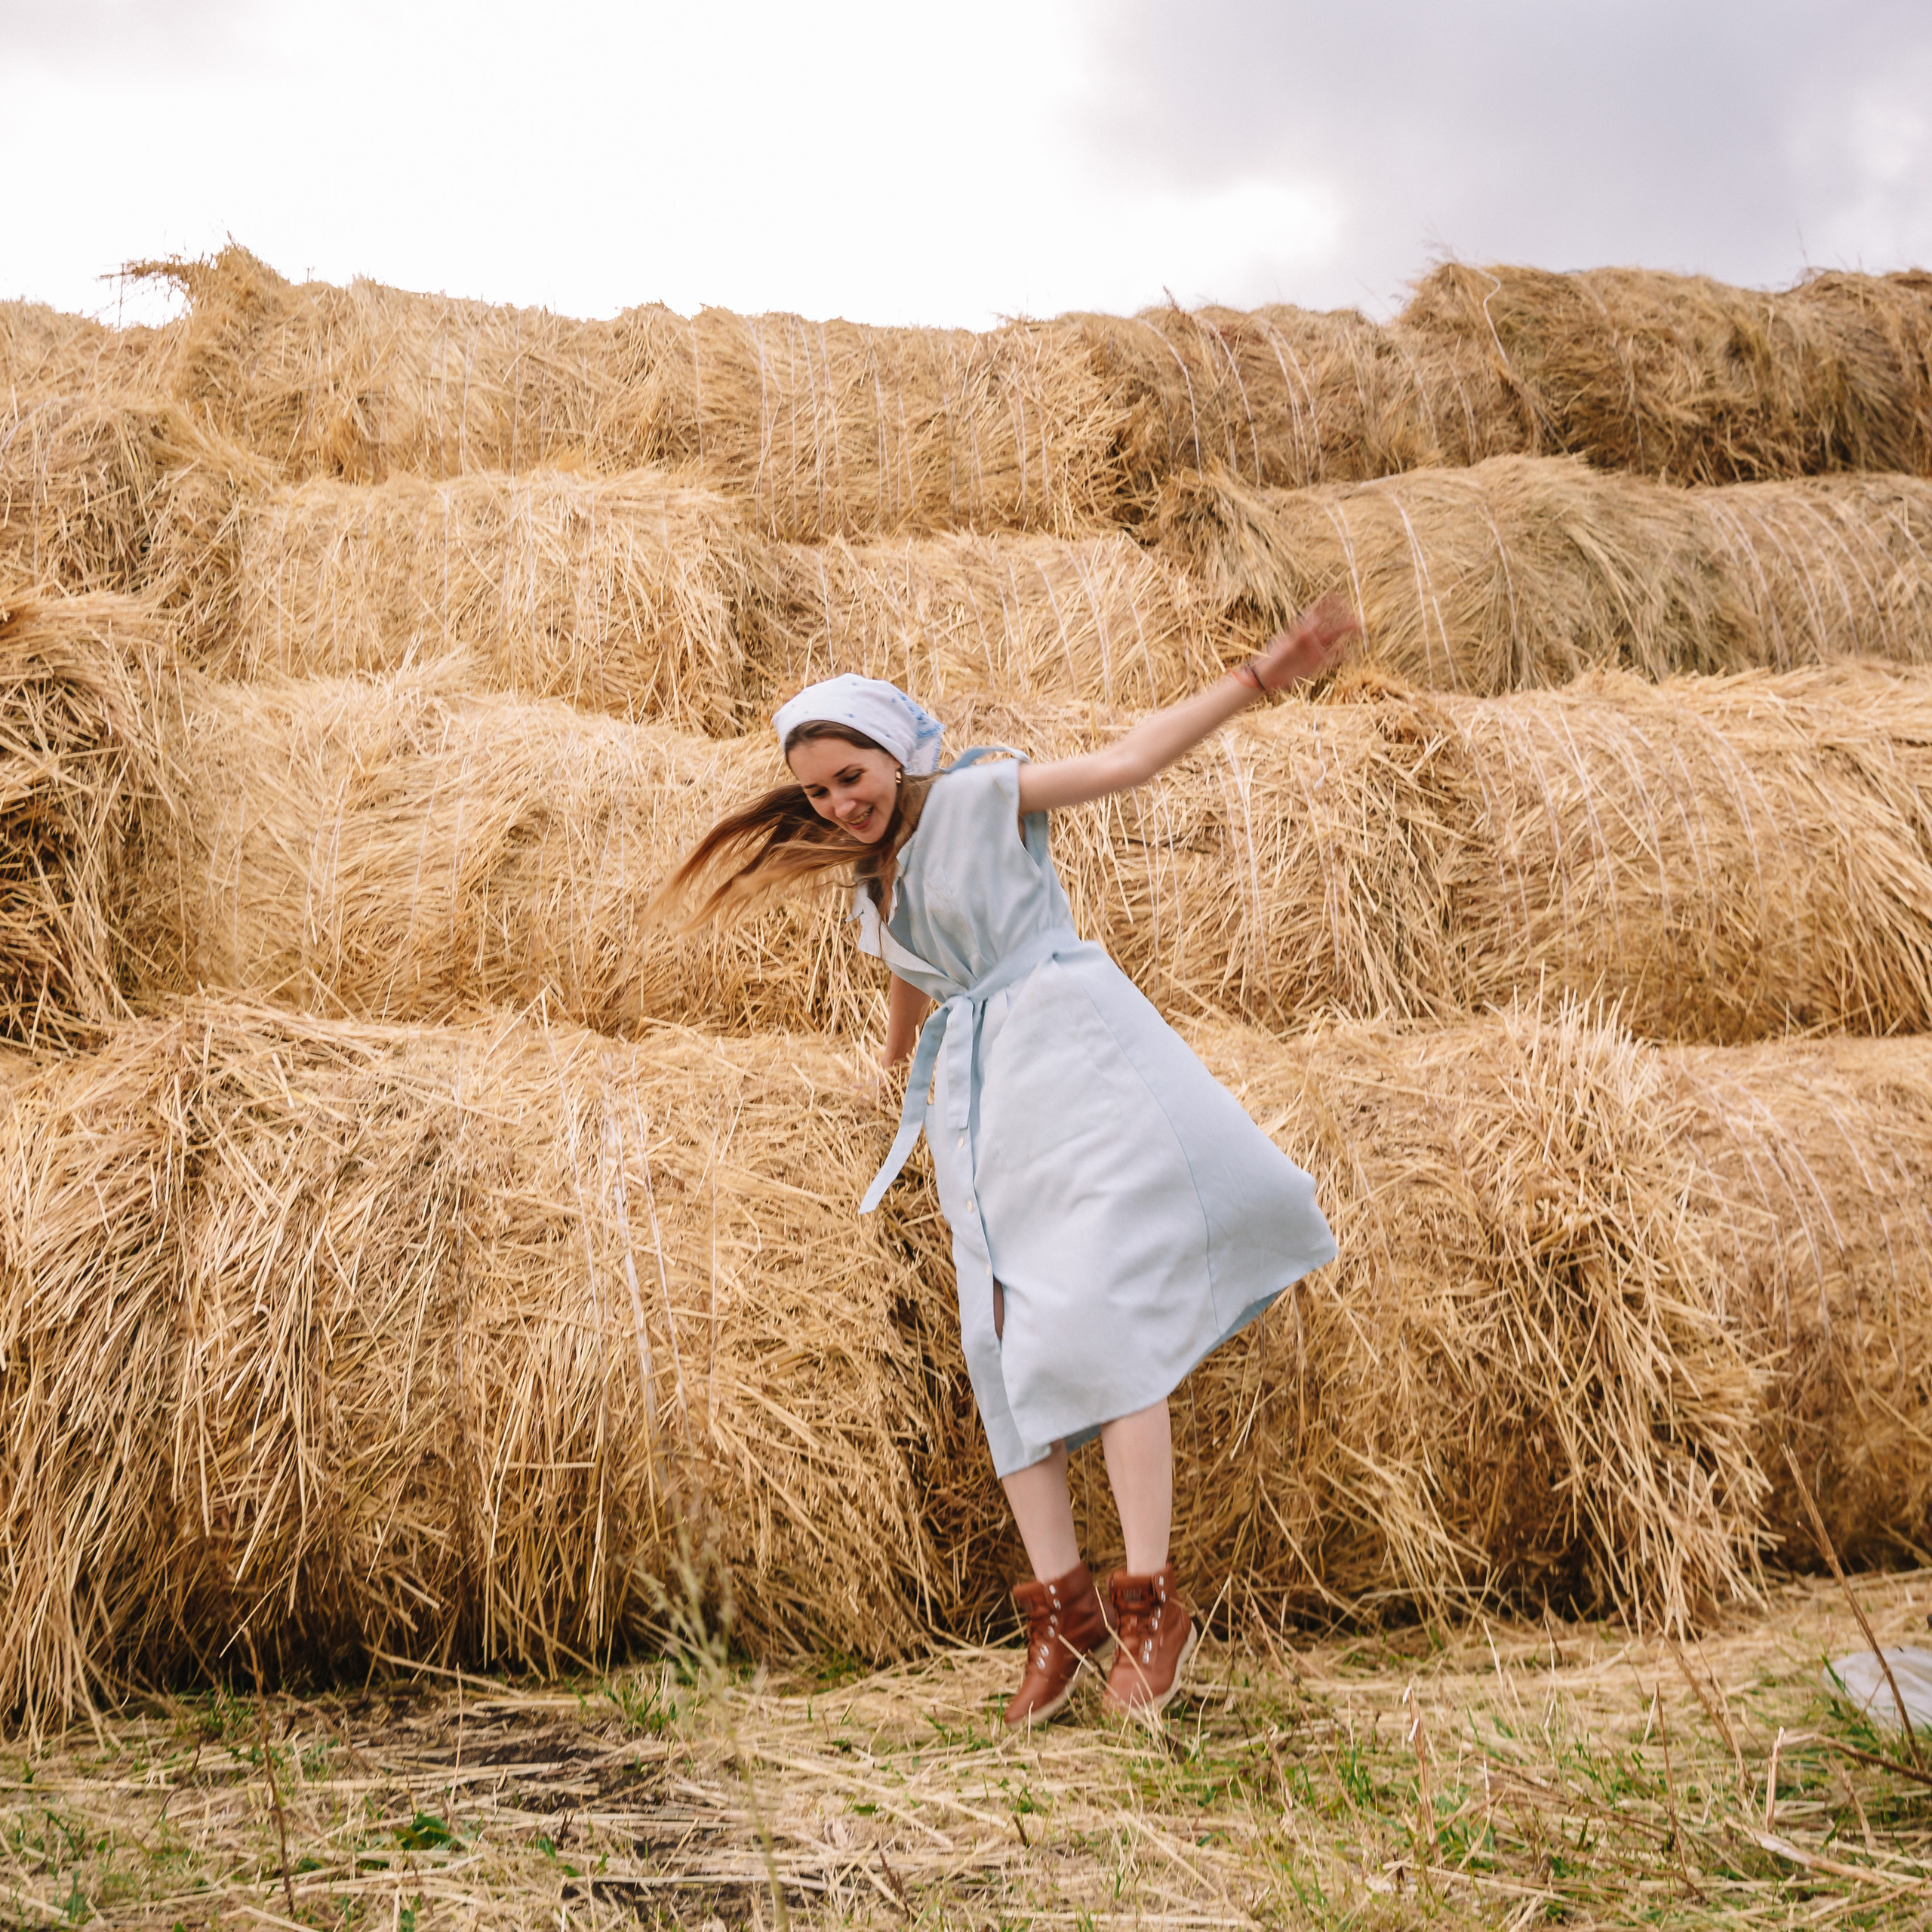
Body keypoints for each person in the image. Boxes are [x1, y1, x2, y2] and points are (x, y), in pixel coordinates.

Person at [660, 595, 1358, 1724]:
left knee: (1106, 1318)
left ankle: (1149, 1604)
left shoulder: (981, 797)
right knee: (994, 1341)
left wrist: (1259, 679)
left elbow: (1130, 762)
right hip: (982, 1099)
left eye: (854, 775)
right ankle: (1065, 1613)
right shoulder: (869, 873)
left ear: (895, 753)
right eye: (822, 790)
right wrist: (893, 1071)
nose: (842, 802)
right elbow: (912, 963)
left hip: (1072, 1059)